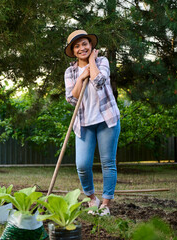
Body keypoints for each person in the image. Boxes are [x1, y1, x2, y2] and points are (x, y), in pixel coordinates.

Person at [64, 30, 121, 216]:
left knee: (108, 163)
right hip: (83, 123)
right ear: (72, 51)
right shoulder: (70, 72)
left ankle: (105, 205)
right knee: (82, 165)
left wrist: (92, 63)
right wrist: (81, 77)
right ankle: (92, 199)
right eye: (77, 46)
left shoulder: (102, 62)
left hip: (106, 120)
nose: (82, 48)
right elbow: (71, 99)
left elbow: (100, 81)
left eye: (85, 44)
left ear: (91, 46)